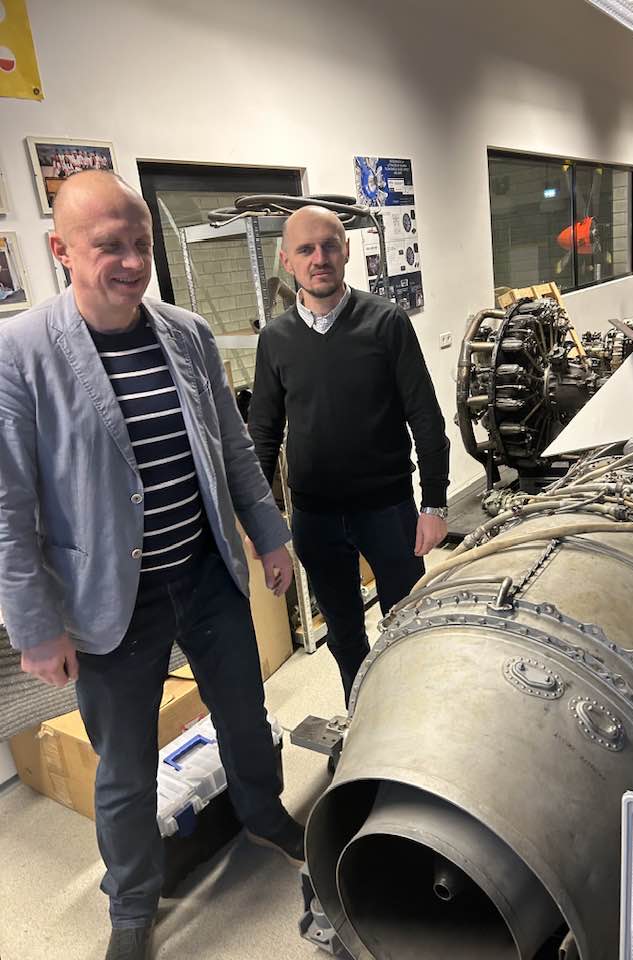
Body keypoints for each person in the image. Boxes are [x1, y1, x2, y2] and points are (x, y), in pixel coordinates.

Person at [0, 170, 303, 960]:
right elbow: (7, 506)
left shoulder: (186, 332)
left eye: (141, 243)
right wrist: (34, 627)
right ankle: (132, 902)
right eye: (111, 246)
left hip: (204, 574)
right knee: (125, 768)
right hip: (109, 600)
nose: (133, 262)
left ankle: (264, 813)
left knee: (244, 715)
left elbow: (232, 447)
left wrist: (269, 534)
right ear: (62, 250)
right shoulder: (19, 353)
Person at [250, 206, 450, 706]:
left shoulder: (386, 322)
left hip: (388, 510)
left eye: (329, 246)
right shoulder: (275, 339)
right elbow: (263, 434)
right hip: (315, 517)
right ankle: (362, 718)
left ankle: (411, 720)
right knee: (343, 633)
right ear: (287, 261)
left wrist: (434, 503)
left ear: (345, 251)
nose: (319, 258)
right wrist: (262, 525)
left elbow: (425, 416)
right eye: (305, 249)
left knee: (407, 622)